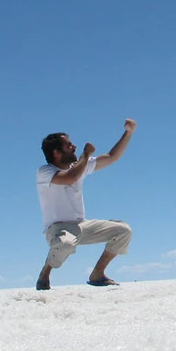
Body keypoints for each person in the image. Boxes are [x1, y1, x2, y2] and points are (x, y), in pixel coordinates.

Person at [35, 119, 137, 290]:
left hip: (81, 225)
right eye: (68, 145)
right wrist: (85, 154)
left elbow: (112, 157)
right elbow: (70, 178)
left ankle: (97, 274)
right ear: (56, 153)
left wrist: (128, 133)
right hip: (57, 229)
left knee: (123, 231)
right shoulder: (45, 172)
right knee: (65, 244)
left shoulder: (79, 166)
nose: (74, 146)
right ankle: (45, 273)